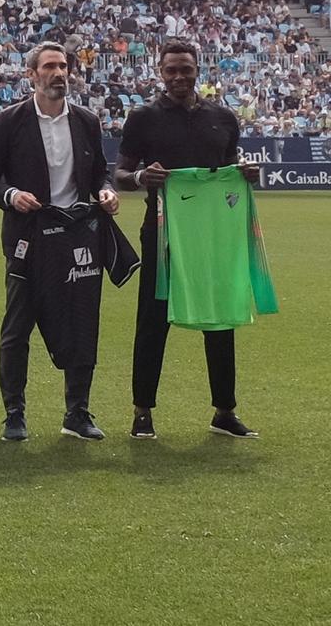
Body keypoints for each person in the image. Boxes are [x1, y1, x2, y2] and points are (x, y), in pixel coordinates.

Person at [0, 43, 119, 442]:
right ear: (32, 74)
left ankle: (77, 413)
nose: (59, 73)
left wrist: (104, 192)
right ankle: (14, 415)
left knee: (82, 325)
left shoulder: (87, 121)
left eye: (64, 66)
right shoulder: (9, 121)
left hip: (77, 238)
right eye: (50, 66)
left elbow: (100, 174)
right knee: (17, 329)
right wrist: (11, 196)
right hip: (28, 237)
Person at [116, 38, 260, 440]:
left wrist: (246, 172)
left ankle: (224, 411)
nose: (179, 77)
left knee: (219, 314)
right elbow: (120, 175)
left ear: (199, 70)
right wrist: (142, 177)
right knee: (153, 319)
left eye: (186, 69)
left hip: (214, 232)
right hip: (161, 232)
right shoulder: (143, 117)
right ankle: (142, 410)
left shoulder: (224, 117)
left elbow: (231, 169)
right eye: (171, 70)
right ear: (160, 73)